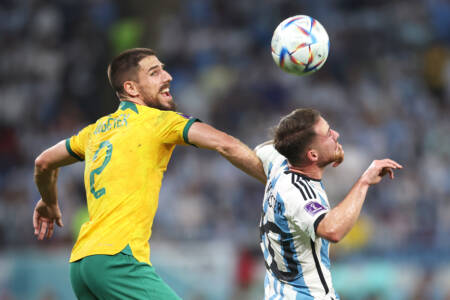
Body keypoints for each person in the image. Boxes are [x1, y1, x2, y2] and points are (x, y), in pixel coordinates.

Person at [33, 48, 266, 300]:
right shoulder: (158, 122)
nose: (168, 77)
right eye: (155, 73)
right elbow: (226, 144)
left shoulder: (94, 131)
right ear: (132, 88)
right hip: (117, 260)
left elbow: (44, 162)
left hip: (81, 263)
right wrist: (276, 181)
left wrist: (48, 200)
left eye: (163, 69)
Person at [255, 108, 402, 300]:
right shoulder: (297, 192)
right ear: (313, 155)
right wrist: (364, 181)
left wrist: (199, 126)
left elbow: (228, 146)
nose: (336, 135)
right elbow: (332, 229)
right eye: (328, 133)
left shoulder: (277, 162)